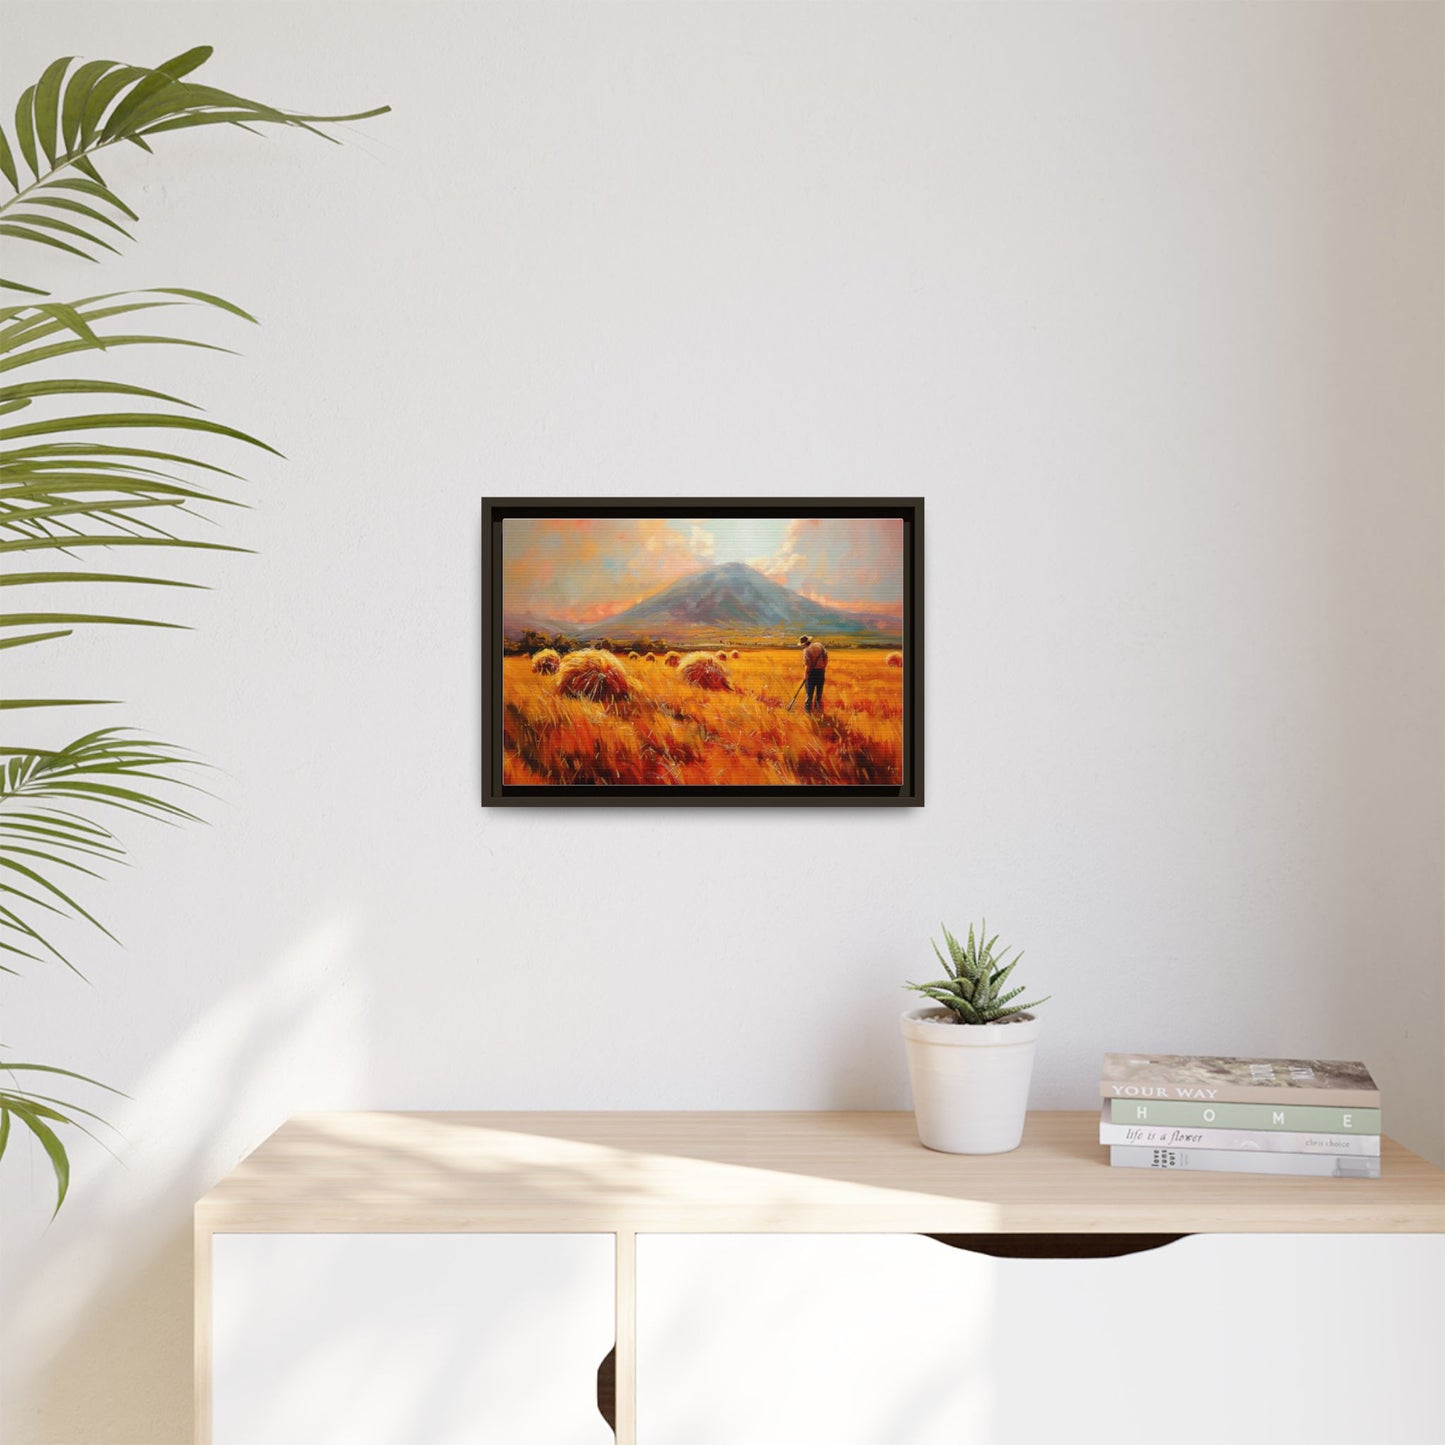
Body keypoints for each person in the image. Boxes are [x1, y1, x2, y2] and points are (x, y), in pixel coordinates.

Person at [799, 633, 828, 714]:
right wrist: (822, 668)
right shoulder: (820, 646)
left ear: (804, 644)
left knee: (809, 694)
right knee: (819, 694)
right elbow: (826, 659)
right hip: (821, 672)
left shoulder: (806, 650)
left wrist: (805, 676)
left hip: (811, 674)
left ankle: (808, 713)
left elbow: (807, 665)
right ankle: (818, 711)